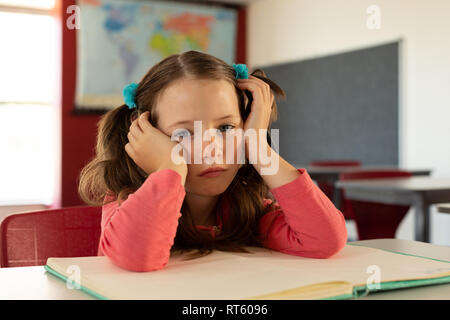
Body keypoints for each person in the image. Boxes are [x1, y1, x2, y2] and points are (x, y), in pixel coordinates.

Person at [78, 50, 347, 272]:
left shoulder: (247, 210)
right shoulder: (126, 199)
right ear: (145, 137)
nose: (212, 150)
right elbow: (137, 258)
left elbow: (325, 240)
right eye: (183, 133)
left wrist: (257, 146)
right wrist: (170, 168)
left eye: (226, 128)